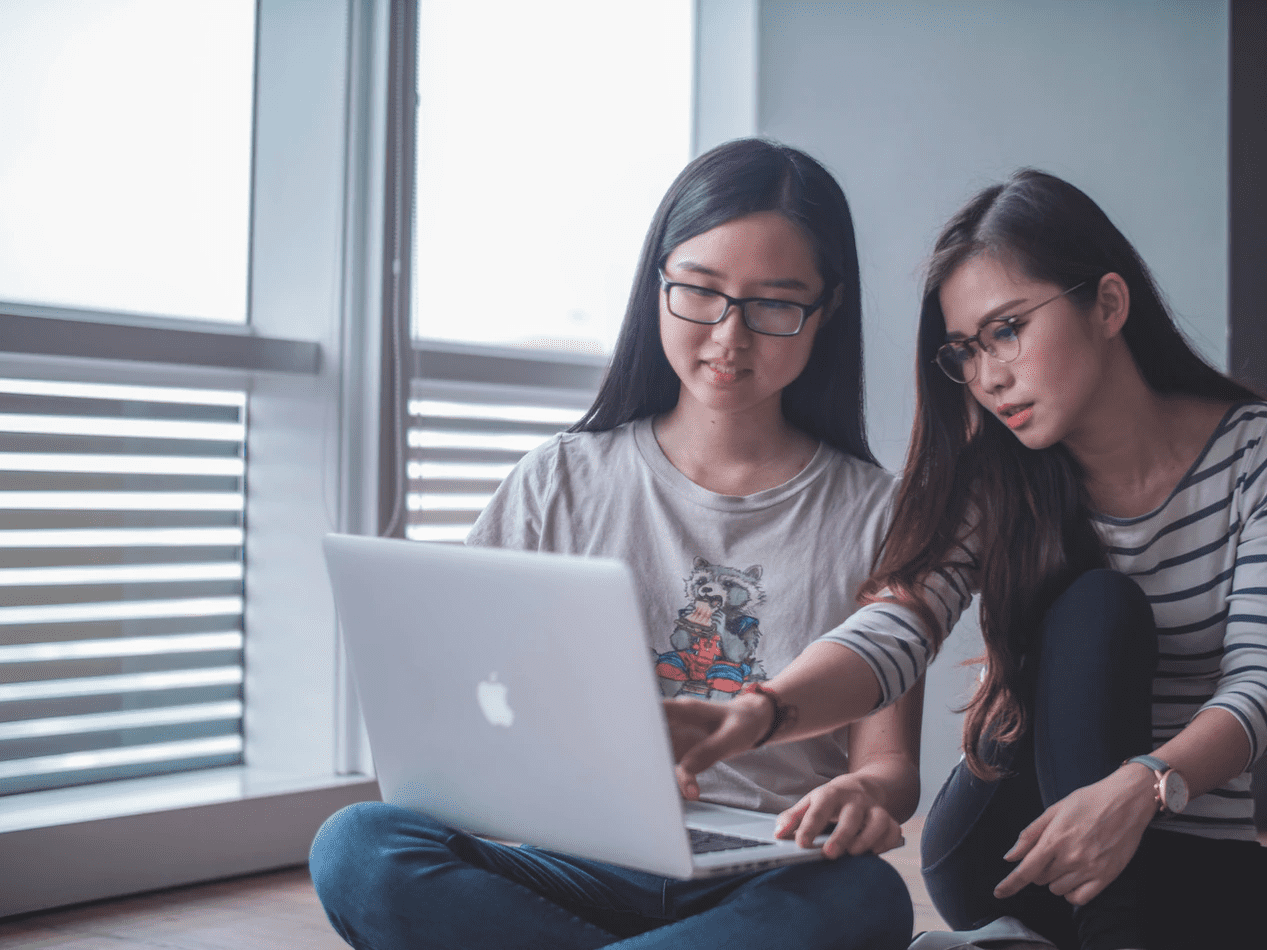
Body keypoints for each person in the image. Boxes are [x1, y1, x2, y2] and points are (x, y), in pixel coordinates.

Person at [308, 138, 921, 950]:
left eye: (774, 304)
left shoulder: (881, 514)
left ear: (826, 310)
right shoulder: (557, 481)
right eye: (700, 292)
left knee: (866, 898)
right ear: (657, 284)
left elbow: (889, 767)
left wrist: (866, 797)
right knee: (357, 846)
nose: (729, 337)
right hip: (579, 861)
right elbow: (461, 707)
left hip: (767, 870)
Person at [668, 168, 1267, 950]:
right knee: (1097, 605)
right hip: (1015, 845)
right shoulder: (997, 475)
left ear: (1109, 304)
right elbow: (894, 625)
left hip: (1189, 845)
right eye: (964, 351)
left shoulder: (1251, 455)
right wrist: (757, 712)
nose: (987, 377)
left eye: (1008, 329)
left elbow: (1258, 677)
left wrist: (1143, 786)